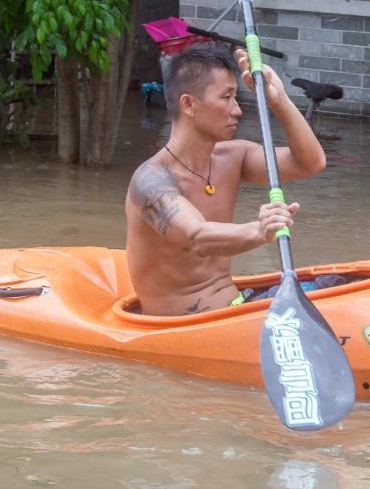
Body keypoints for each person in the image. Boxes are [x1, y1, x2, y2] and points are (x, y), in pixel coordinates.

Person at [124, 40, 327, 316]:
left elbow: (310, 163)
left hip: (234, 307)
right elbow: (198, 237)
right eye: (226, 97)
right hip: (185, 326)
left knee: (331, 287)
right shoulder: (151, 181)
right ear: (189, 104)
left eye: (236, 98)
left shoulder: (234, 156)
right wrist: (260, 230)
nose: (237, 110)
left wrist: (278, 99)